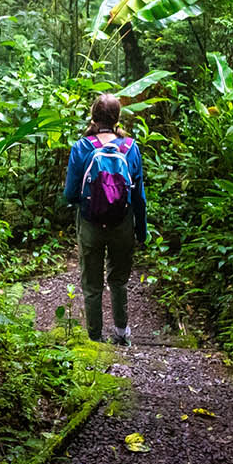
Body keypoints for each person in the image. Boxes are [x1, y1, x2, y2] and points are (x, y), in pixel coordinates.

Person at [61, 93, 148, 345]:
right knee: (118, 280)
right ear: (117, 117)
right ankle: (122, 333)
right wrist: (141, 231)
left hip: (90, 224)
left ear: (93, 117)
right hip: (123, 224)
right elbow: (139, 196)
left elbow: (69, 194)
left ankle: (95, 338)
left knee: (92, 284)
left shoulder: (81, 147)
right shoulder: (131, 148)